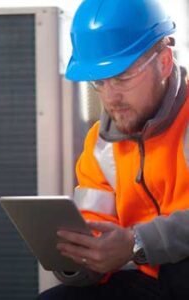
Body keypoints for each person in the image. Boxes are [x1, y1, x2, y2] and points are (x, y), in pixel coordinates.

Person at [38, 0, 189, 299]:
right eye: (100, 82)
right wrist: (82, 260)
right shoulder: (100, 144)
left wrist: (137, 242)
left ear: (164, 63)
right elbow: (97, 228)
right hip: (143, 280)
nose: (111, 97)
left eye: (122, 78)